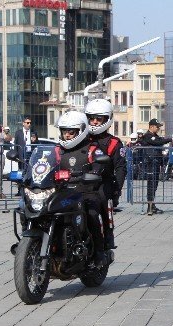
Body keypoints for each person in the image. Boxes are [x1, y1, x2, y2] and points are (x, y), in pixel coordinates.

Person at [55, 111, 107, 266]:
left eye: (71, 132)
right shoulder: (58, 150)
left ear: (80, 131)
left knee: (91, 214)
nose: (67, 135)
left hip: (86, 191)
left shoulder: (92, 149)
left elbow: (100, 166)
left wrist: (93, 173)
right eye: (64, 132)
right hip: (62, 192)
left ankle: (99, 253)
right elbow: (45, 164)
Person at [85, 98, 127, 249]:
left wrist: (117, 190)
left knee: (103, 199)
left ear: (107, 119)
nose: (95, 122)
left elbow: (121, 168)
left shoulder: (114, 143)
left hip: (102, 182)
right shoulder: (81, 138)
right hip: (80, 181)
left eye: (99, 119)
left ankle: (108, 236)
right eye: (91, 118)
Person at [141, 119, 171, 215]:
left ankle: (152, 205)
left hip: (156, 163)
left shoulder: (155, 136)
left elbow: (159, 141)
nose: (158, 128)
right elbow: (157, 142)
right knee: (151, 185)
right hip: (150, 163)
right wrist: (170, 139)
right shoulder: (147, 136)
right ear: (151, 127)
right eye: (157, 127)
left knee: (154, 185)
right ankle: (149, 207)